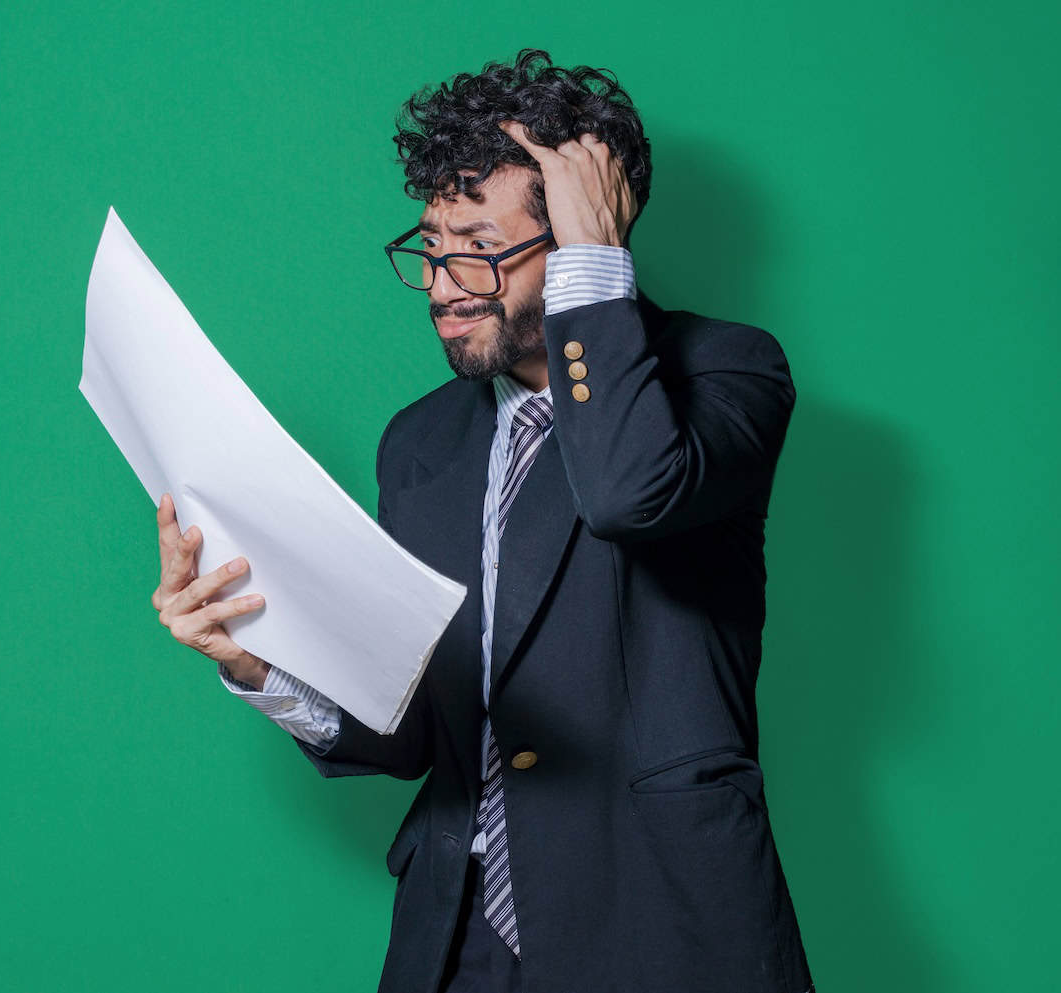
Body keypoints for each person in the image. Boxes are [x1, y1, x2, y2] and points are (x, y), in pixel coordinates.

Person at [150, 50, 814, 993]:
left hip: (662, 924)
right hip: (455, 936)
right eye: (430, 244)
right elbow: (413, 726)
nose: (442, 284)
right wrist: (252, 658)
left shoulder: (727, 373)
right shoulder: (420, 443)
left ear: (588, 229)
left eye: (478, 245)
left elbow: (626, 490)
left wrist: (596, 263)